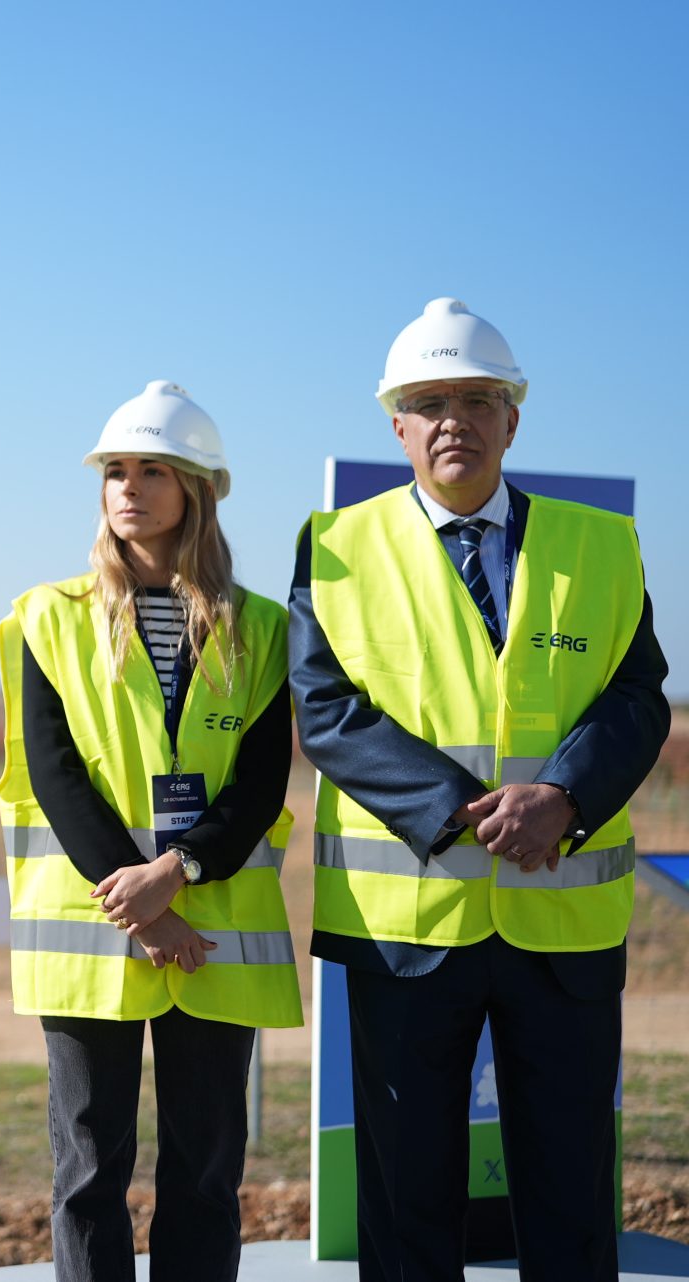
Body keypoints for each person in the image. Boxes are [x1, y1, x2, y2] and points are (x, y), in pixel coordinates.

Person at [290, 297, 670, 1281]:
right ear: (397, 426)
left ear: (513, 417)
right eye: (429, 400)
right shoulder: (334, 545)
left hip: (564, 931)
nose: (452, 416)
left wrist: (566, 799)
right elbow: (327, 708)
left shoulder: (603, 544)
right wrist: (465, 810)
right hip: (408, 929)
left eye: (476, 397)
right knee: (406, 1195)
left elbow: (636, 697)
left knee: (571, 1193)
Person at [0, 381, 299, 1282]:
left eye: (152, 470)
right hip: (95, 930)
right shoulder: (46, 618)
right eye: (115, 471)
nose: (127, 488)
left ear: (198, 488)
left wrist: (182, 870)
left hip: (212, 927)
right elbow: (55, 777)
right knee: (88, 1170)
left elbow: (261, 781)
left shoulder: (263, 629)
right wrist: (146, 905)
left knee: (206, 1173)